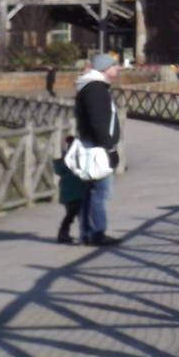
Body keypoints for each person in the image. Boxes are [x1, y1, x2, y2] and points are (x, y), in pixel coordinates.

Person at [73, 53, 122, 246]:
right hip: (97, 148)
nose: (117, 68)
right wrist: (109, 148)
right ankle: (96, 232)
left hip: (93, 144)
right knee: (100, 191)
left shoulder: (92, 87)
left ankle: (88, 231)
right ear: (105, 68)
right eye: (114, 65)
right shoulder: (95, 89)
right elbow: (98, 122)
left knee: (91, 191)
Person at [51, 135, 87, 244]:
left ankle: (65, 234)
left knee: (71, 215)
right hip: (77, 193)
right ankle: (78, 235)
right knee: (76, 216)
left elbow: (58, 170)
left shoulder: (65, 159)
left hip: (68, 193)